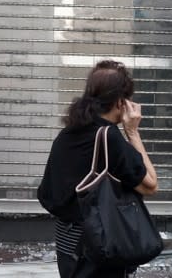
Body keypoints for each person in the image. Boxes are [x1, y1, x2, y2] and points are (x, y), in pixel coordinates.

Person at [37, 60, 158, 278]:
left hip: (67, 240)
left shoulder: (71, 131)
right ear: (121, 102)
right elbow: (150, 184)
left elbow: (49, 192)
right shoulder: (108, 136)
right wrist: (132, 132)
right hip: (97, 242)